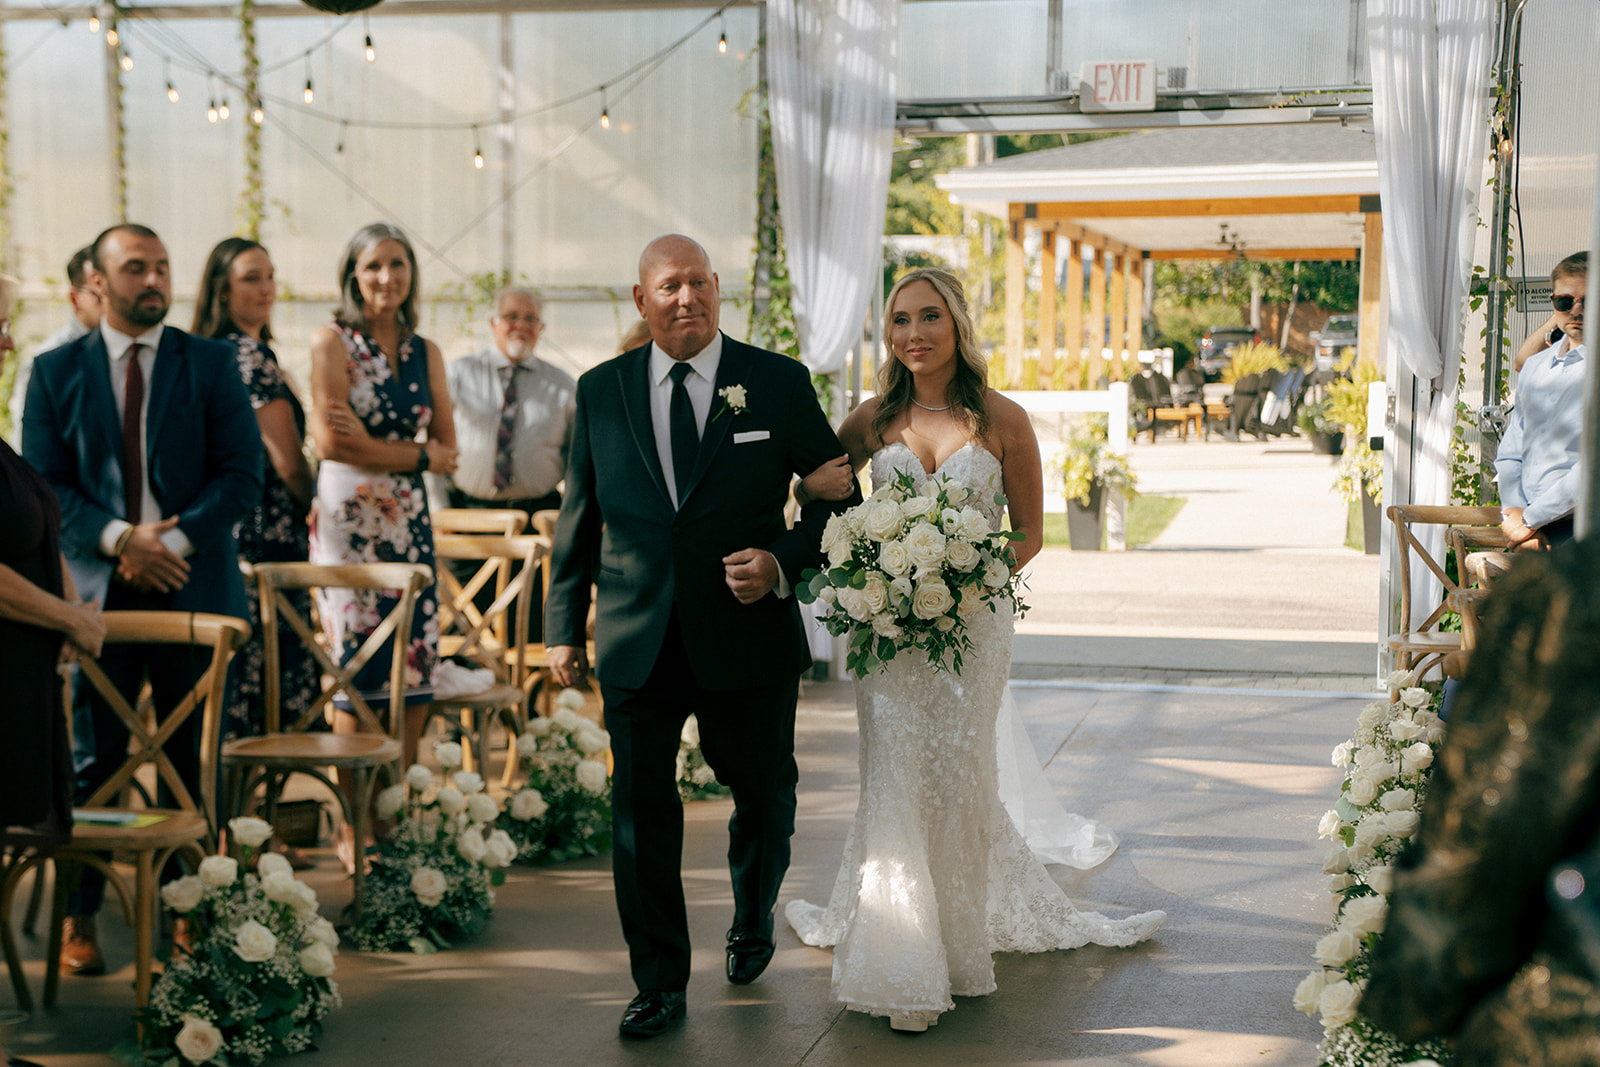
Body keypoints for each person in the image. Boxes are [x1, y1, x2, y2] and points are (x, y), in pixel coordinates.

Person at [784, 268, 1165, 1032]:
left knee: (956, 776)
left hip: (972, 627)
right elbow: (816, 486)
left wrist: (963, 582)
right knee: (893, 773)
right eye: (899, 320)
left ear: (957, 324)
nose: (913, 333)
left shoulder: (1004, 420)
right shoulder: (871, 420)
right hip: (886, 632)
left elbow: (1030, 532)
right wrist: (861, 558)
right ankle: (900, 954)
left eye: (929, 316)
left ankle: (956, 946)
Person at [544, 234, 856, 1040]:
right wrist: (559, 628)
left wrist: (782, 561)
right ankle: (657, 982)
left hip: (746, 636)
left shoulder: (777, 383)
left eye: (699, 283)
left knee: (762, 789)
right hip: (635, 638)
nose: (687, 297)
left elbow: (837, 496)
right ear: (641, 300)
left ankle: (752, 915)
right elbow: (578, 522)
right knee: (640, 815)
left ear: (719, 291)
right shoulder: (600, 390)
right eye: (669, 286)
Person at [22, 224, 262, 975]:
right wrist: (124, 539)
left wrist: (174, 542)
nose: (154, 278)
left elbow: (241, 474)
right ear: (96, 281)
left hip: (197, 593)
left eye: (162, 266)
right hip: (98, 602)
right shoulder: (54, 370)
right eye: (135, 267)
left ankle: (191, 910)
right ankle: (82, 915)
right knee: (96, 761)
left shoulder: (212, 361)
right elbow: (45, 484)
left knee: (193, 763)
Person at [307, 222, 457, 775]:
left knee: (417, 655)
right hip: (350, 519)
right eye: (372, 265)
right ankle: (354, 819)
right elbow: (329, 443)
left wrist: (369, 445)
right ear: (353, 274)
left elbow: (449, 446)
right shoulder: (331, 340)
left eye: (397, 264)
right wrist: (415, 455)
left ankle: (395, 801)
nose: (385, 277)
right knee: (358, 662)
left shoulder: (427, 351)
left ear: (412, 273)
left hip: (410, 518)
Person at [191, 237, 320, 745]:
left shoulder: (201, 354)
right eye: (251, 278)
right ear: (222, 290)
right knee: (272, 679)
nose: (266, 288)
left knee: (239, 680)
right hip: (270, 534)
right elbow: (288, 462)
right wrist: (320, 507)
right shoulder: (249, 356)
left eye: (270, 276)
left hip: (229, 533)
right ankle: (266, 812)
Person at [439, 287, 574, 519]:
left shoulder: (564, 386)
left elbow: (577, 457)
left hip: (538, 515)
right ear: (493, 322)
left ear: (541, 328)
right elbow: (435, 443)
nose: (521, 326)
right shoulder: (457, 375)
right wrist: (439, 509)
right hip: (467, 514)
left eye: (530, 319)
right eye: (511, 316)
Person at [1496, 252, 1586, 552]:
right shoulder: (1536, 367)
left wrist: (1530, 519)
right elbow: (1510, 454)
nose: (1577, 310)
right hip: (1530, 526)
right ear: (1553, 304)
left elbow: (1593, 470)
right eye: (1565, 301)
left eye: (1589, 300)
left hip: (1583, 528)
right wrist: (1517, 517)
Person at [9, 245, 101, 446]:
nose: (112, 303)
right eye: (99, 296)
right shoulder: (47, 362)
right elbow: (27, 444)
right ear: (75, 298)